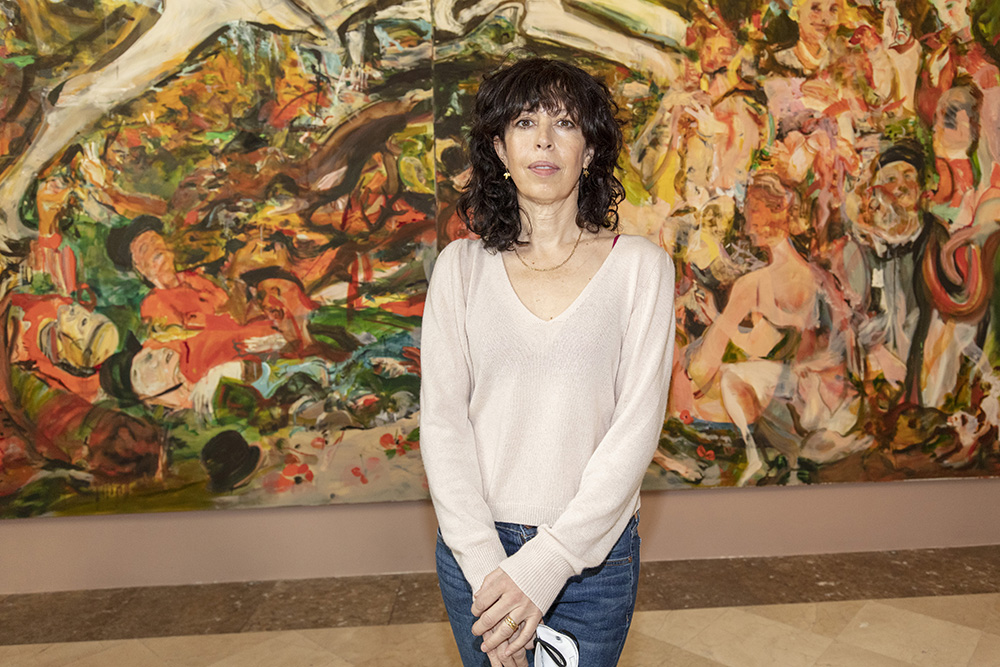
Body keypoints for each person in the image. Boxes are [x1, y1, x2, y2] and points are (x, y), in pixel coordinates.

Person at [420, 58, 675, 667]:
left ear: (590, 150)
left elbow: (635, 429)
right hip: (476, 554)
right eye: (525, 122)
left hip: (592, 558)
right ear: (499, 149)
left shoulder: (641, 268)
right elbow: (443, 426)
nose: (543, 140)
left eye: (564, 123)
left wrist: (548, 564)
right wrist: (490, 569)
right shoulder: (459, 269)